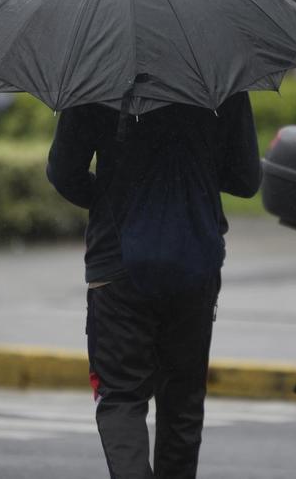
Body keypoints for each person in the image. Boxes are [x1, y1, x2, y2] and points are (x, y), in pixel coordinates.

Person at [46, 91, 261, 479]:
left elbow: (64, 172)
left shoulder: (97, 76)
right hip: (195, 258)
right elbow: (246, 180)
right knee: (183, 403)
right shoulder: (216, 77)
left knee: (122, 398)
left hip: (117, 264)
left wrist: (107, 197)